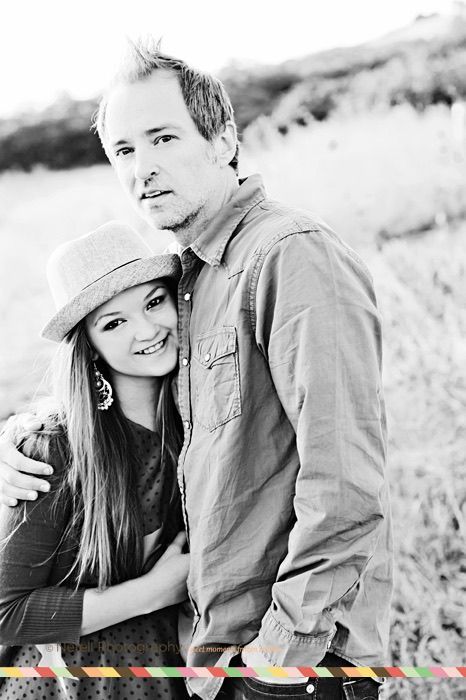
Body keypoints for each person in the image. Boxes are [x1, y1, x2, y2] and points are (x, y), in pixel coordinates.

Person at [0, 41, 393, 699]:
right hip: (216, 657)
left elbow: (345, 480)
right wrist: (20, 436)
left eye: (163, 138)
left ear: (224, 139)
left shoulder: (287, 256)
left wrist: (279, 657)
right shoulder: (193, 280)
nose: (143, 169)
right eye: (124, 151)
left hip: (295, 663)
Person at [0, 221, 190, 700]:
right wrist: (154, 591)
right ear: (90, 348)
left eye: (153, 302)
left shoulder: (199, 422)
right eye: (114, 322)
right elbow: (6, 612)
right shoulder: (54, 448)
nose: (147, 329)